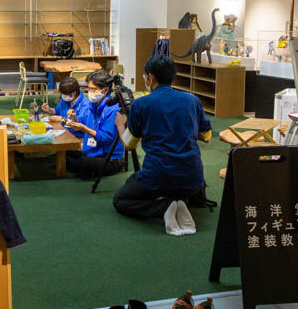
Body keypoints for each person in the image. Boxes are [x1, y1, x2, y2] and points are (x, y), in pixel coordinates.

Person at [112, 55, 212, 235]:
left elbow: (128, 145)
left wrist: (120, 125)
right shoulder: (193, 100)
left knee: (119, 200)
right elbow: (206, 136)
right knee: (182, 184)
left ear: (151, 77)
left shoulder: (141, 104)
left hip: (157, 178)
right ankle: (180, 203)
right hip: (192, 180)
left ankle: (164, 207)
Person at [64, 70, 124, 179]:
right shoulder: (92, 105)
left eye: (93, 89)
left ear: (105, 90)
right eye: (89, 89)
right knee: (64, 154)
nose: (90, 92)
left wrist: (85, 129)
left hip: (109, 158)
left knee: (81, 164)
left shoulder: (112, 109)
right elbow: (82, 122)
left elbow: (106, 138)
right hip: (93, 152)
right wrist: (74, 119)